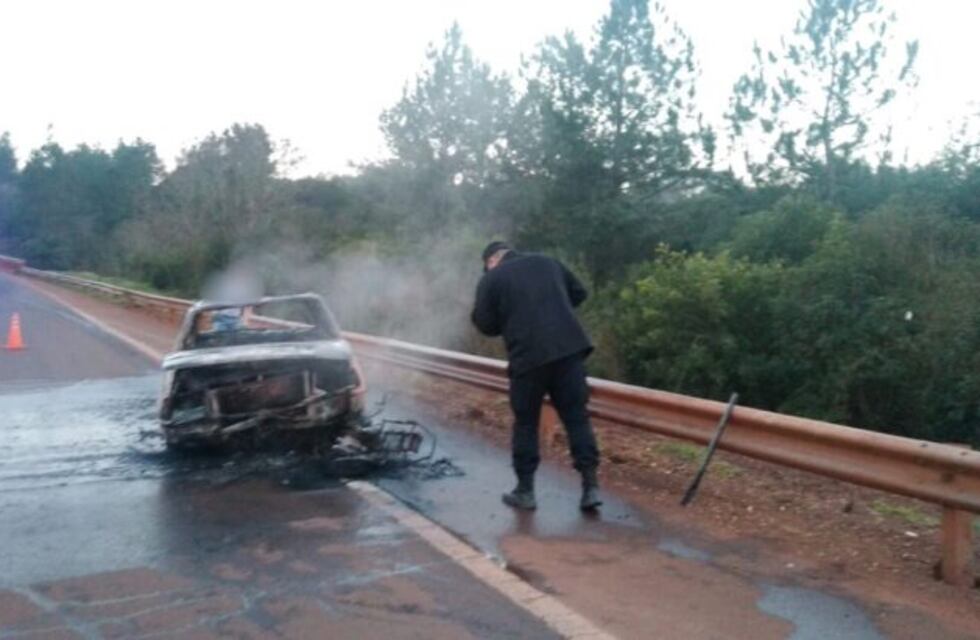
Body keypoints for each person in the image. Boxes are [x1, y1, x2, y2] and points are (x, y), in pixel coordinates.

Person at [471, 241, 602, 511]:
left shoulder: (492, 278)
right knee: (577, 418)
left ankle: (525, 491)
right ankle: (590, 488)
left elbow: (484, 324)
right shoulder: (548, 262)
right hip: (569, 352)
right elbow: (579, 293)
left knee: (526, 423)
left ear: (492, 260)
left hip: (528, 359)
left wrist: (510, 318)